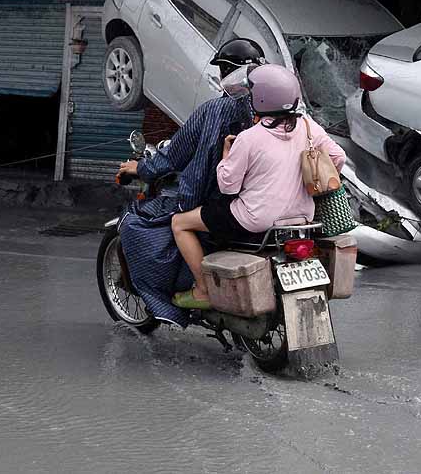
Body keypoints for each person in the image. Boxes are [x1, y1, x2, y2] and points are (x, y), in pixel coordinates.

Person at [116, 38, 266, 326]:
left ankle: (199, 289)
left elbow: (174, 155)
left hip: (229, 208)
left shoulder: (214, 111)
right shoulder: (288, 119)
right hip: (284, 210)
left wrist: (143, 168)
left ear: (225, 72)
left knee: (139, 224)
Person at [170, 65, 345, 309]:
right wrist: (309, 181)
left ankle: (202, 290)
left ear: (260, 100)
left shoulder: (249, 138)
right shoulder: (308, 127)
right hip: (302, 220)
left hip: (255, 221)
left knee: (180, 223)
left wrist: (225, 155)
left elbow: (228, 187)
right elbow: (338, 157)